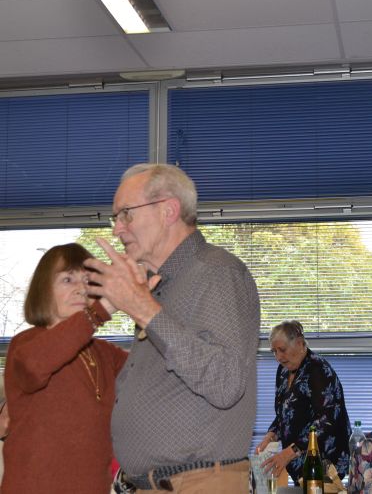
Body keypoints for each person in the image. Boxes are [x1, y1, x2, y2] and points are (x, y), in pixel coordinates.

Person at [84, 163, 260, 493]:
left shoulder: (216, 273)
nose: (117, 230)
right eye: (115, 218)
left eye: (126, 214)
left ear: (168, 210)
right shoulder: (159, 285)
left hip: (199, 483)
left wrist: (144, 309)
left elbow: (225, 383)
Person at [1, 243, 128, 494]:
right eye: (68, 280)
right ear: (44, 290)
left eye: (88, 281)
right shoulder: (25, 344)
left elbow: (151, 370)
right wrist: (103, 309)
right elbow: (35, 366)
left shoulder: (105, 353)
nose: (81, 289)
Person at [255, 320, 351, 485]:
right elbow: (285, 413)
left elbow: (327, 420)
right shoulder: (283, 370)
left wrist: (290, 452)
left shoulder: (318, 370)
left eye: (282, 350)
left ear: (299, 344)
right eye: (274, 351)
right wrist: (270, 435)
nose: (278, 357)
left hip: (324, 462)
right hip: (299, 464)